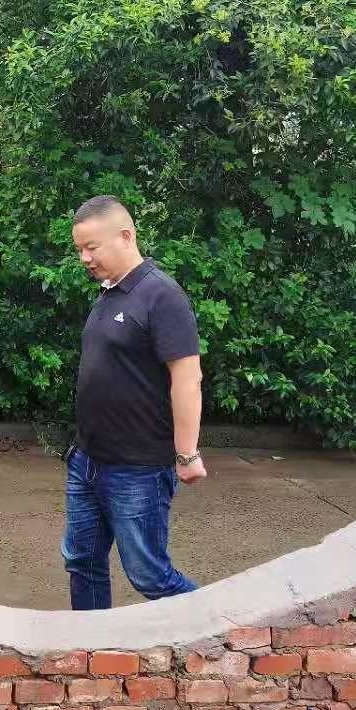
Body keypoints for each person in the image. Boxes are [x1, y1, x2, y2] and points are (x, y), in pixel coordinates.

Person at [63, 196, 205, 610]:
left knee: (149, 574)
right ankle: (90, 642)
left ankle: (226, 625)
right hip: (88, 460)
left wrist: (187, 453)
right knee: (82, 561)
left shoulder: (162, 296)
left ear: (126, 237)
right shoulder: (110, 294)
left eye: (91, 247)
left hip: (137, 469)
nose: (84, 258)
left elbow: (187, 378)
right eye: (79, 249)